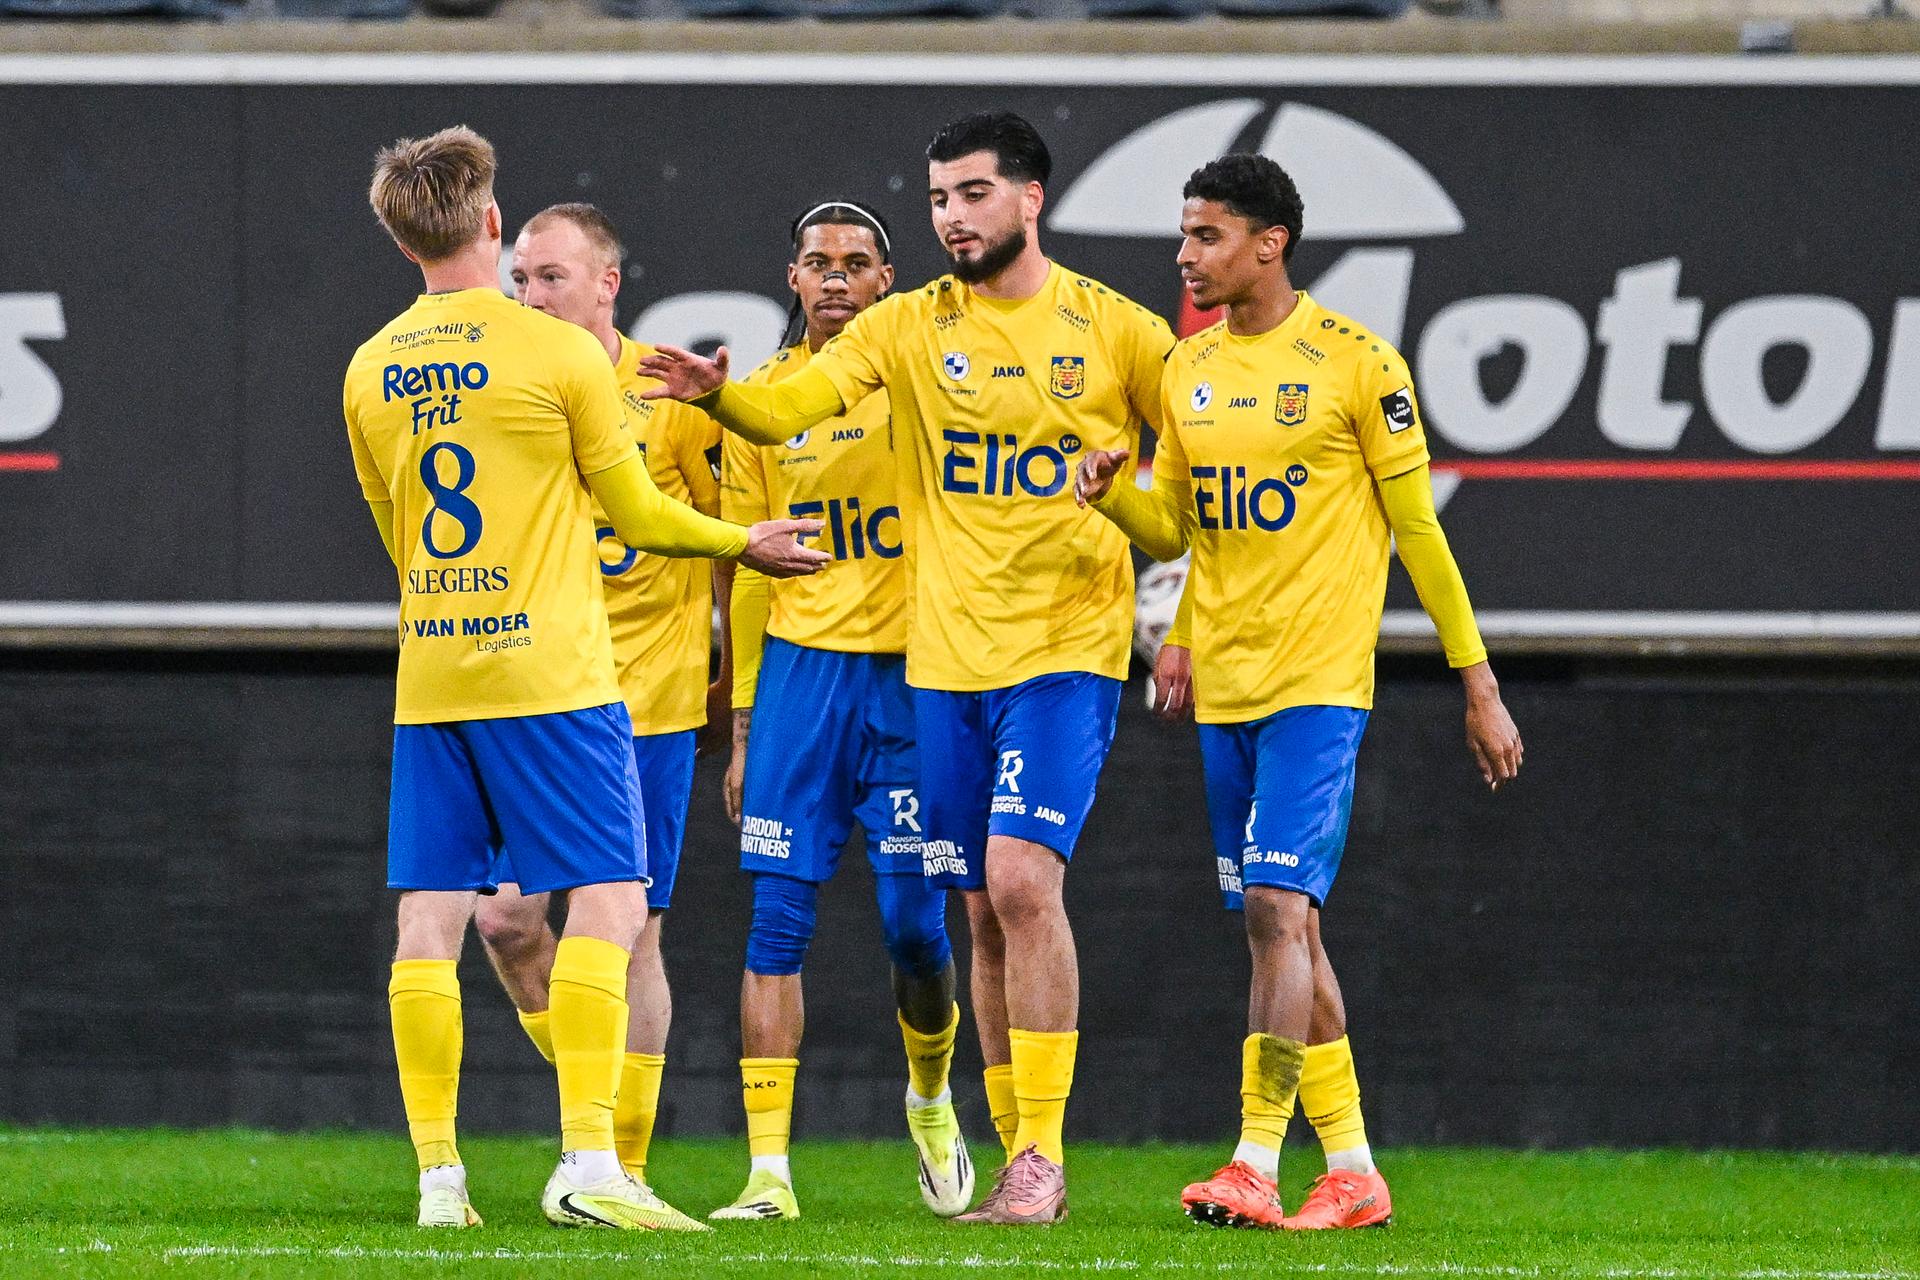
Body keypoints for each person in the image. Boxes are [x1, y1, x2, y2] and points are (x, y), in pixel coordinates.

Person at [641, 112, 1175, 1225]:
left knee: (1014, 885)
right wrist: (719, 395)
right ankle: (830, 1160)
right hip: (939, 664)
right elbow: (787, 406)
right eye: (939, 198)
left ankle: (1035, 1151)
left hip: (1063, 647)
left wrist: (1121, 503)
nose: (954, 217)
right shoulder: (910, 331)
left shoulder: (1119, 332)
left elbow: (1178, 514)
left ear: (1031, 198)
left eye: (972, 195)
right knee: (972, 907)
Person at [341, 126, 826, 1230]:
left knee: (432, 916)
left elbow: (400, 539)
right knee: (613, 900)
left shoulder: (369, 368)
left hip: (436, 675)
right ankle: (591, 1162)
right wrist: (741, 542)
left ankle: (439, 1180)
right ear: (492, 224)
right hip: (553, 671)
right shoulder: (556, 353)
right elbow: (643, 514)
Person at [1074, 153, 1524, 1231]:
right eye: (1184, 235)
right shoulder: (1186, 370)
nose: (1185, 255)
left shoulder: (1357, 363)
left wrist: (1480, 684)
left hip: (1318, 684)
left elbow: (1420, 533)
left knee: (1281, 908)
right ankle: (1356, 1167)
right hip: (1224, 685)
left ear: (1269, 242)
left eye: (1206, 235)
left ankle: (1254, 1158)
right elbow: (1181, 528)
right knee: (1286, 934)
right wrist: (1114, 504)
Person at [465, 201, 729, 1230]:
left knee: (630, 933)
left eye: (551, 277)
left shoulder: (666, 394)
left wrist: (736, 697)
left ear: (609, 283)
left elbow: (718, 542)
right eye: (520, 278)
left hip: (644, 707)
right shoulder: (509, 386)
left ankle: (616, 1162)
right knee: (505, 920)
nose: (531, 295)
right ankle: (595, 1115)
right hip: (535, 698)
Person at [709, 199, 971, 1223]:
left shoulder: (922, 384)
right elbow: (751, 569)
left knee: (915, 926)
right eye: (816, 261)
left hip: (911, 681)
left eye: (855, 263)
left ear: (886, 282)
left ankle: (932, 1095)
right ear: (791, 278)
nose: (833, 277)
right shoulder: (766, 402)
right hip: (802, 686)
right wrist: (740, 723)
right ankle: (768, 1172)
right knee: (775, 921)